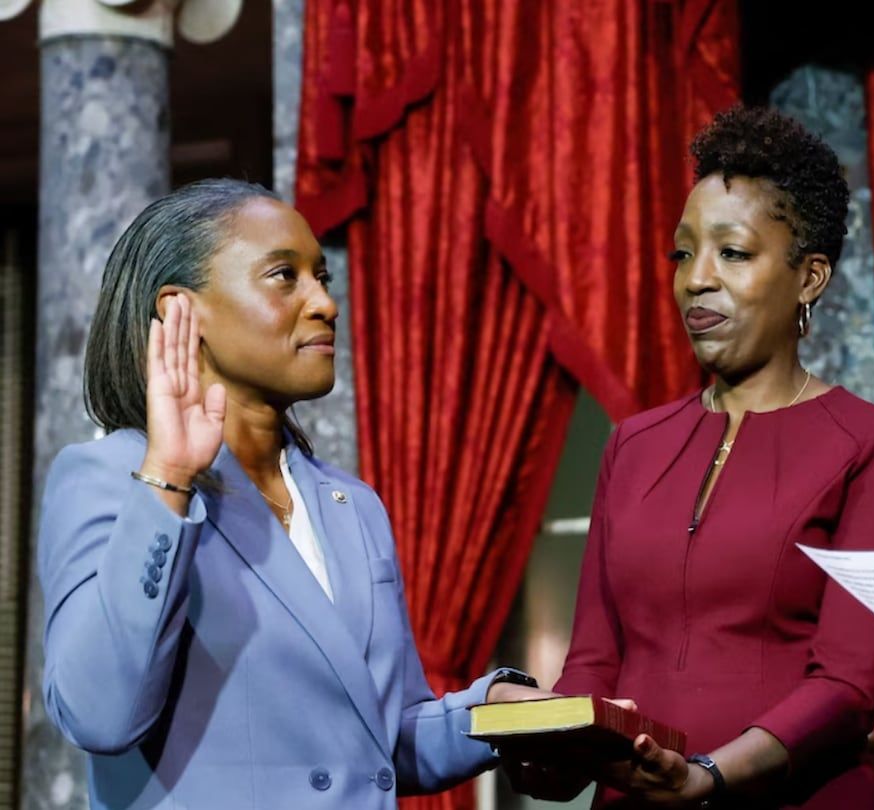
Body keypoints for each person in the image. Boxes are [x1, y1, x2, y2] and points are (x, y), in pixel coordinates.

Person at [37, 179, 545, 809]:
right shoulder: (108, 477)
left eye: (322, 277)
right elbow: (97, 716)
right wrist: (169, 476)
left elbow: (378, 738)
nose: (325, 303)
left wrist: (497, 711)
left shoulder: (351, 504)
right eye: (284, 276)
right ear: (179, 311)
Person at [512, 106, 874, 808]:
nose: (696, 278)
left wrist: (710, 774)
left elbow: (851, 684)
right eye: (683, 253)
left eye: (732, 253)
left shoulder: (870, 443)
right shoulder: (632, 445)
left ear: (810, 277)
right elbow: (593, 659)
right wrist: (551, 742)